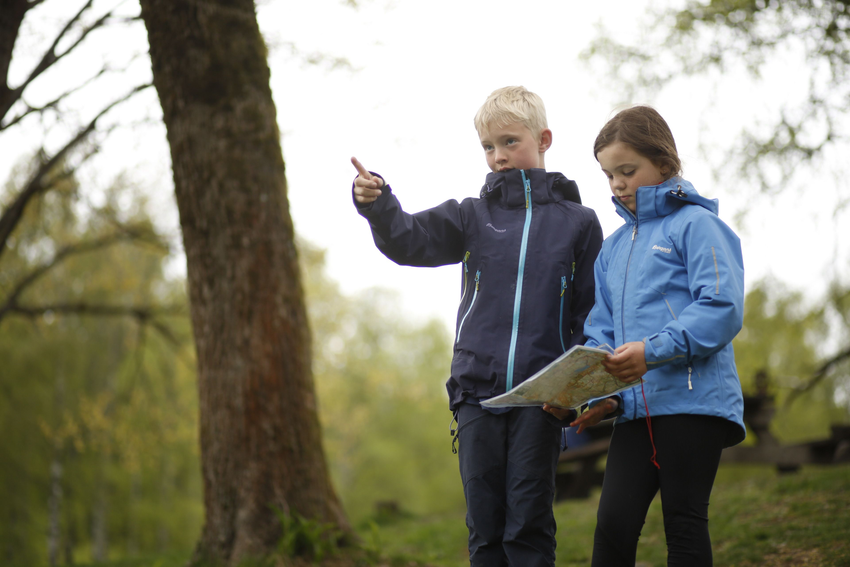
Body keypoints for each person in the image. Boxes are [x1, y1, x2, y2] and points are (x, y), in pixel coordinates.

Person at [350, 86, 603, 567]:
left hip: (541, 397)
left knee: (527, 526)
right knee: (484, 532)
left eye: (510, 142)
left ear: (544, 139)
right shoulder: (471, 216)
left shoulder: (580, 223)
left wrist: (572, 391)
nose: (498, 157)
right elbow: (408, 241)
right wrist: (378, 203)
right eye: (488, 147)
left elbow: (590, 316)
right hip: (476, 394)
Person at [561, 105, 746, 566]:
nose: (618, 184)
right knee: (612, 527)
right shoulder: (612, 249)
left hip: (693, 402)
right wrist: (601, 393)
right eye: (608, 175)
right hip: (634, 410)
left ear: (664, 164)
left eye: (627, 170)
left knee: (683, 524)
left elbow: (722, 307)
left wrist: (654, 351)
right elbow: (601, 332)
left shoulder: (697, 225)